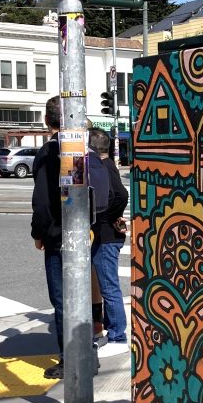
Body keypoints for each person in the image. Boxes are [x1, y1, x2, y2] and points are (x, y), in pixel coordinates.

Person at [31, 96, 65, 379]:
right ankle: (85, 349)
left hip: (57, 235)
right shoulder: (84, 148)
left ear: (46, 120)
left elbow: (42, 201)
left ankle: (69, 359)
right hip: (85, 233)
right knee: (82, 295)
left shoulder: (47, 153)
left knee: (62, 299)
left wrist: (38, 233)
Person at [88, 128, 129, 358]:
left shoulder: (103, 167)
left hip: (106, 235)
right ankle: (114, 331)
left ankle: (117, 334)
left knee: (109, 286)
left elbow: (121, 196)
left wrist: (107, 215)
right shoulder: (108, 165)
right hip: (107, 234)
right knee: (108, 284)